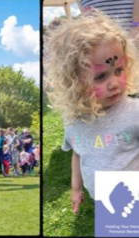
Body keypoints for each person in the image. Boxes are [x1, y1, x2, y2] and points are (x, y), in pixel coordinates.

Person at [45, 10, 139, 214]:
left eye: (119, 70)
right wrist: (76, 188)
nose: (114, 83)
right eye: (100, 77)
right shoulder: (73, 121)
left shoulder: (134, 112)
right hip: (103, 196)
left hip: (131, 193)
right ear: (73, 82)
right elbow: (78, 153)